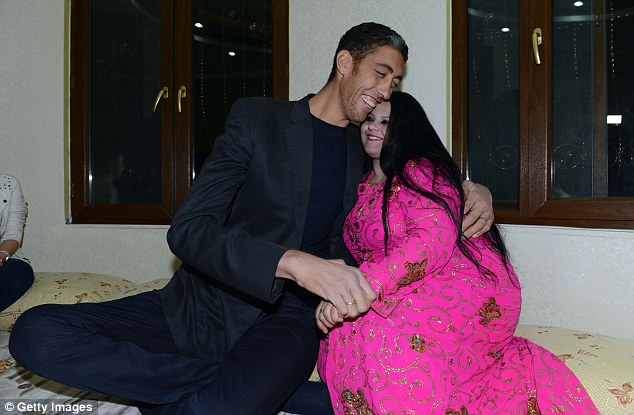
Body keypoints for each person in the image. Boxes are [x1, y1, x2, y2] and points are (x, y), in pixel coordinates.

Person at [9, 23, 494, 415]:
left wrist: (476, 190)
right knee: (35, 334)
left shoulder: (368, 148)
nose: (385, 90)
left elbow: (423, 178)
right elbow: (189, 229)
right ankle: (249, 388)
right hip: (202, 305)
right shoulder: (258, 121)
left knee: (217, 409)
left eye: (395, 83)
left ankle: (236, 389)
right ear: (345, 62)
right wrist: (292, 261)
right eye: (381, 73)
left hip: (292, 320)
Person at [315, 92, 599, 414]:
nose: (373, 127)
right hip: (399, 282)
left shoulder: (419, 170)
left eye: (386, 122)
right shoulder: (361, 183)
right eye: (369, 119)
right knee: (344, 331)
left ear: (405, 129)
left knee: (372, 327)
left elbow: (430, 239)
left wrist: (360, 285)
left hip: (459, 280)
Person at [0, 173, 35, 311]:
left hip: (5, 256)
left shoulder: (8, 184)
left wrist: (2, 256)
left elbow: (13, 234)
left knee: (21, 272)